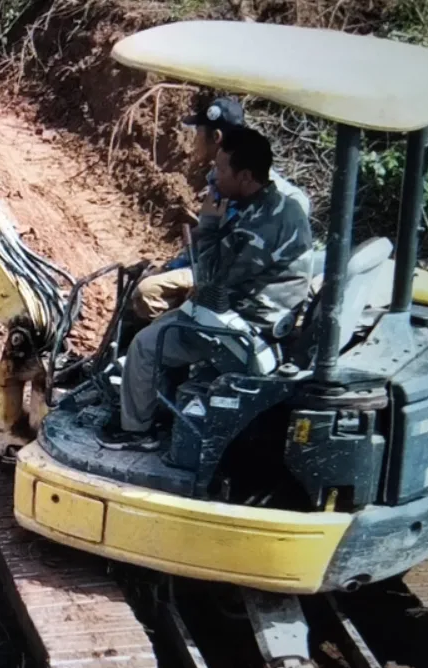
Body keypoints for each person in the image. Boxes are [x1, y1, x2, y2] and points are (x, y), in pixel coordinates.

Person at [103, 126, 313, 451]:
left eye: (220, 169)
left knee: (145, 345)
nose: (214, 176)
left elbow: (211, 278)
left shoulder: (259, 225)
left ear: (244, 176)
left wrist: (210, 221)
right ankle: (157, 404)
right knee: (169, 319)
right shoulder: (279, 207)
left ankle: (136, 432)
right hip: (262, 319)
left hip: (246, 330)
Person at [131, 95, 311, 323]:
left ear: (216, 138)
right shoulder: (221, 182)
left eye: (198, 134)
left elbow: (232, 265)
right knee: (140, 276)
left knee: (148, 292)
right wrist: (173, 265)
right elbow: (206, 236)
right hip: (216, 269)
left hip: (243, 293)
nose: (192, 142)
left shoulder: (284, 198)